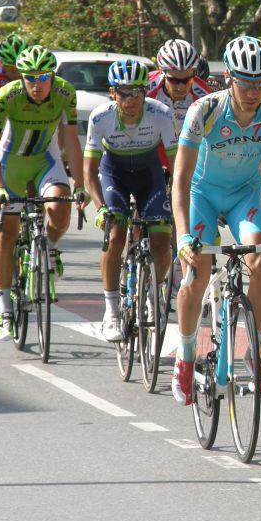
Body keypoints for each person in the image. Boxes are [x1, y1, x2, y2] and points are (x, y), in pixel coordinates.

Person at [172, 35, 261, 405]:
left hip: (245, 194)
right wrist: (182, 235)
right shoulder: (204, 110)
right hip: (202, 193)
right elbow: (181, 178)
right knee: (197, 270)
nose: (253, 92)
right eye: (245, 83)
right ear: (228, 77)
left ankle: (254, 351)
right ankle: (185, 357)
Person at [0, 45, 84, 339]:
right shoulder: (8, 96)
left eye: (43, 77)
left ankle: (49, 248)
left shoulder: (65, 93)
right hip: (11, 164)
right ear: (22, 77)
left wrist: (79, 183)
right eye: (30, 78)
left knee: (60, 207)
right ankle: (4, 309)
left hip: (45, 161)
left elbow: (71, 141)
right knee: (7, 233)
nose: (37, 84)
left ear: (52, 77)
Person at [84, 59, 177, 342]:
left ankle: (153, 294)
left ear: (145, 92)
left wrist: (180, 198)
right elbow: (89, 173)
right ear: (112, 93)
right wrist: (100, 208)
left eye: (137, 91)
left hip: (150, 176)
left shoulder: (161, 113)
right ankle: (112, 311)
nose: (131, 99)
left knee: (161, 239)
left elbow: (177, 166)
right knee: (116, 236)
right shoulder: (100, 118)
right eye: (124, 93)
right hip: (115, 175)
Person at [145, 38, 210, 165]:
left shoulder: (204, 94)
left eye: (187, 80)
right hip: (151, 149)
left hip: (186, 150)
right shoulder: (146, 87)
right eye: (174, 80)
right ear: (162, 71)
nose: (180, 87)